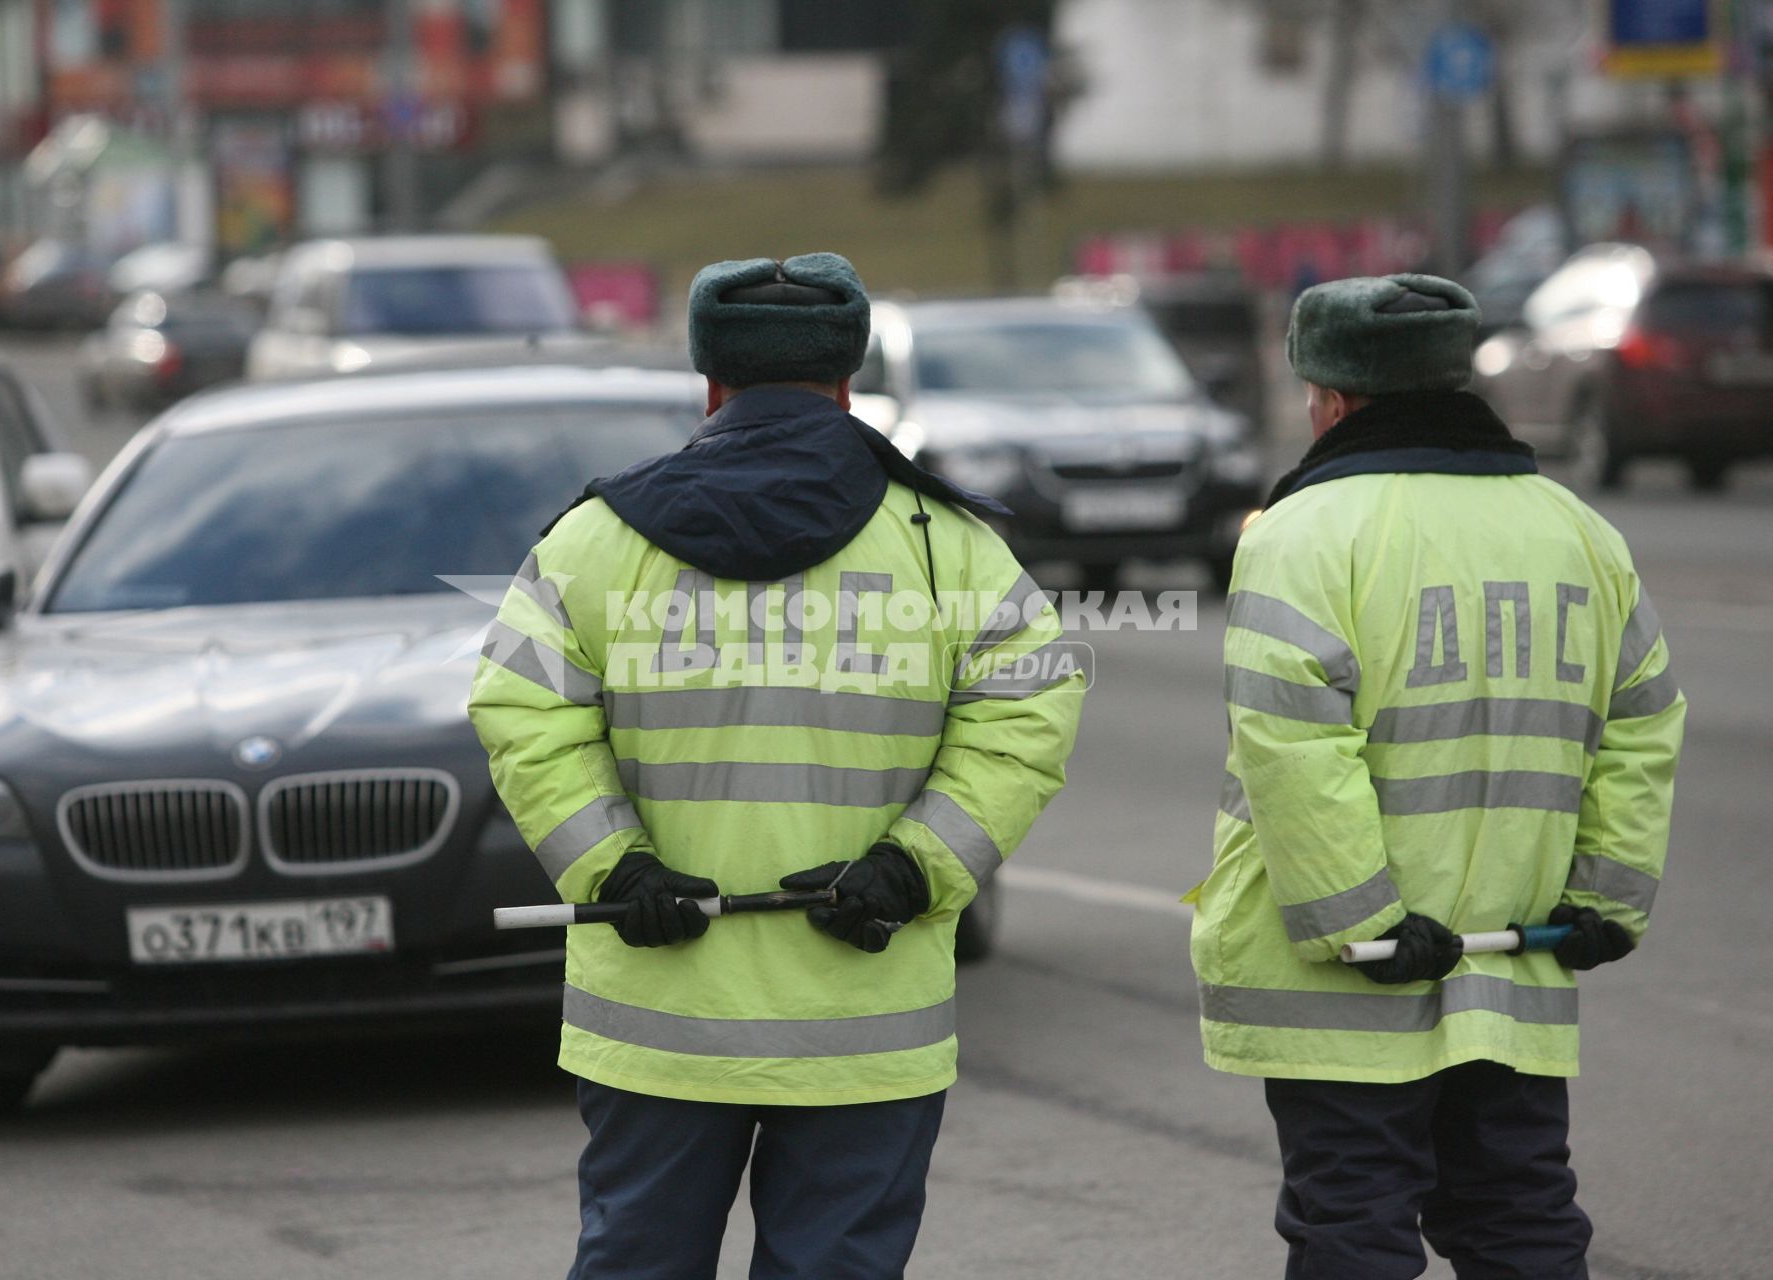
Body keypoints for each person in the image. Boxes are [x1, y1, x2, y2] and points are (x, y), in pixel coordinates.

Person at [469, 252, 1083, 1279]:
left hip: (659, 1019)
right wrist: (916, 866)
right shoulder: (948, 544)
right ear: (850, 381)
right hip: (864, 1014)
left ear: (710, 384)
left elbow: (521, 710)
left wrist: (614, 869)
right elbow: (1029, 712)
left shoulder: (595, 541)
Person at [1189, 273, 1686, 1280]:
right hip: (1518, 954)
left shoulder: (1302, 533)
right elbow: (1642, 717)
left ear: (1330, 398)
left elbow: (1295, 744)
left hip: (1345, 986)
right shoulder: (1579, 532)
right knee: (1519, 1217)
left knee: (1354, 1225)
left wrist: (1363, 924)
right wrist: (1603, 902)